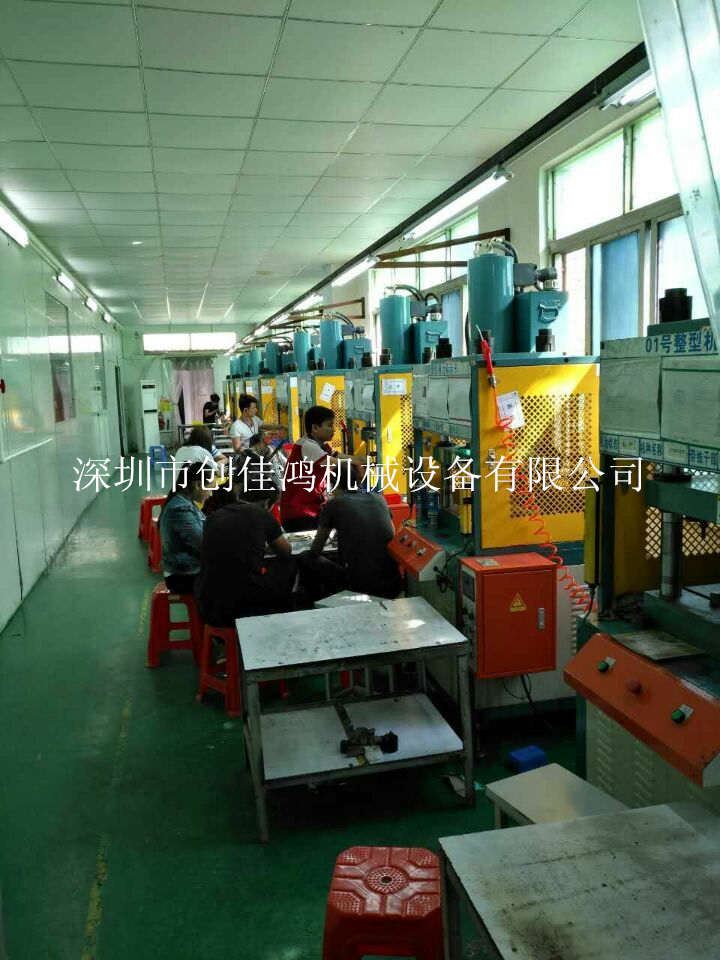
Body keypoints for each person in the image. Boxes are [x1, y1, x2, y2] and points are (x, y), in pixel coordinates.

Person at [195, 482, 296, 627]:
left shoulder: (214, 517)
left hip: (207, 606)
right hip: (242, 607)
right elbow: (286, 551)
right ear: (267, 502)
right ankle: (284, 617)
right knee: (290, 565)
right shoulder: (260, 513)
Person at [300, 464, 402, 602]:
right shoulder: (379, 498)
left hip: (360, 584)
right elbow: (390, 535)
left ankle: (316, 604)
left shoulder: (334, 504)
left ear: (334, 484)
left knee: (306, 558)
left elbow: (316, 550)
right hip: (393, 582)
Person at [279, 405, 363, 532]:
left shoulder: (321, 446)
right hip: (299, 514)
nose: (334, 430)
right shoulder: (307, 446)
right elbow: (336, 462)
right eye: (329, 425)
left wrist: (361, 460)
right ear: (315, 428)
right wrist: (358, 464)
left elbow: (342, 457)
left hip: (312, 509)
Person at [159, 461, 211, 595]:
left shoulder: (185, 501)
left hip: (189, 568)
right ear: (197, 485)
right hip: (183, 576)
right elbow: (202, 544)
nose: (210, 494)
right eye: (210, 488)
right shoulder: (180, 509)